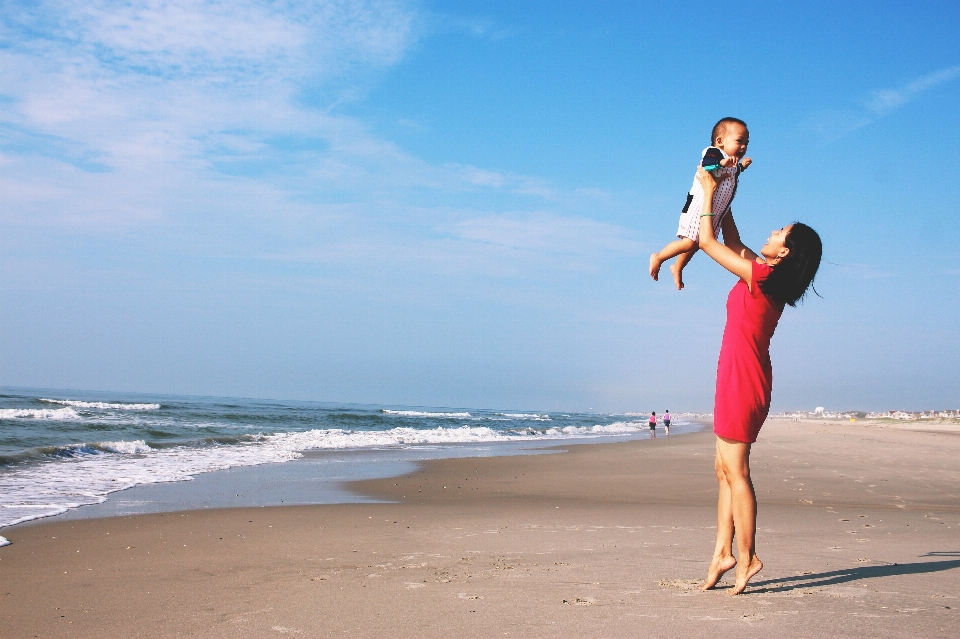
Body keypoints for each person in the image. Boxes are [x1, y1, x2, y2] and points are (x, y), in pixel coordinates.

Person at [693, 165, 822, 595]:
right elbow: (730, 237)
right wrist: (728, 185)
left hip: (744, 378)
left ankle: (747, 556)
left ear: (784, 252)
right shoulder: (763, 272)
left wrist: (708, 192)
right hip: (736, 372)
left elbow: (708, 241)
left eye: (780, 231)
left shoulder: (764, 276)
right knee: (722, 470)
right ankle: (721, 553)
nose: (771, 231)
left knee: (737, 471)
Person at [649, 118, 753, 290]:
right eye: (739, 141)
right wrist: (721, 163)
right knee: (689, 242)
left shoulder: (731, 162)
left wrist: (742, 166)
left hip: (714, 210)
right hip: (698, 207)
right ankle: (659, 257)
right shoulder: (714, 153)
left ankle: (678, 266)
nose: (743, 147)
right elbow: (708, 165)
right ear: (720, 141)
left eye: (746, 143)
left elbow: (733, 173)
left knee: (696, 243)